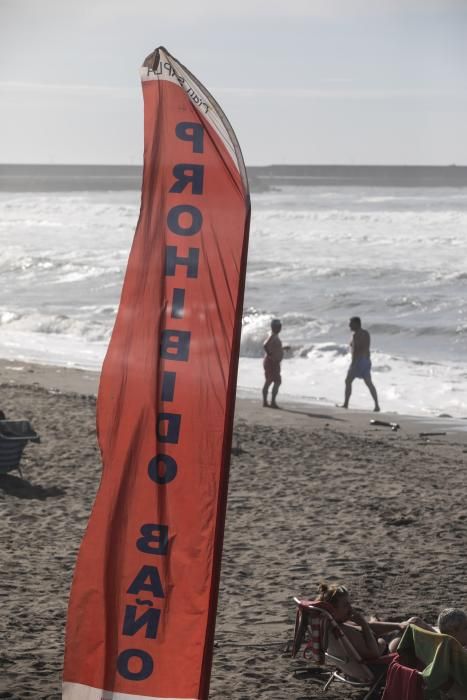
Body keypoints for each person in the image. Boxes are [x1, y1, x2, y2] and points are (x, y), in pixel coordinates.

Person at [316, 582, 429, 658]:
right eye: (345, 605)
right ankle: (444, 647)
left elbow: (369, 629)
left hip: (382, 649)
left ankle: (442, 641)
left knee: (408, 625)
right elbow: (373, 653)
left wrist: (398, 625)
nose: (350, 607)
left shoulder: (337, 626)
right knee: (415, 623)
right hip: (384, 659)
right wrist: (364, 625)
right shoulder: (344, 631)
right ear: (333, 610)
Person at [342, 316, 380, 412]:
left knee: (348, 381)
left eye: (351, 323)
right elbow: (366, 348)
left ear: (356, 324)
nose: (349, 325)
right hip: (366, 361)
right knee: (369, 383)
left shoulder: (356, 335)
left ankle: (346, 404)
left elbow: (356, 350)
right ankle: (377, 405)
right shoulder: (366, 333)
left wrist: (354, 363)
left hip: (358, 361)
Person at [262, 318, 283, 409]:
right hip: (271, 362)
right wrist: (270, 355)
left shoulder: (275, 335)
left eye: (279, 326)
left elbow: (273, 347)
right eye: (277, 327)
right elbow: (265, 345)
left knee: (272, 381)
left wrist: (282, 349)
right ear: (274, 327)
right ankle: (270, 402)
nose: (279, 328)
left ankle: (267, 402)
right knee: (275, 381)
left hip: (274, 362)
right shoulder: (273, 335)